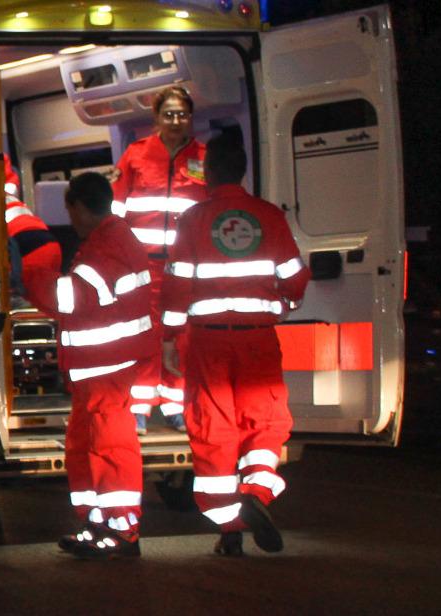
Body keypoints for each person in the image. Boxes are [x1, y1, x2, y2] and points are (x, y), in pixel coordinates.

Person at [160, 134, 310, 556]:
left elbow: (176, 286)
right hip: (258, 340)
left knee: (214, 431)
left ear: (207, 174)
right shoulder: (268, 216)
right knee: (265, 423)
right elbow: (296, 277)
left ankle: (230, 529)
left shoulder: (192, 219)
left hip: (208, 343)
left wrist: (171, 338)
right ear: (243, 170)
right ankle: (257, 496)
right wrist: (282, 304)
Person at [26, 172, 156, 559]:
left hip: (106, 369)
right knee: (86, 447)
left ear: (80, 207)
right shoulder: (112, 240)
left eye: (71, 211)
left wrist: (33, 274)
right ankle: (98, 522)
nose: (71, 220)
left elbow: (70, 298)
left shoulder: (106, 247)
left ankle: (121, 529)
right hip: (99, 369)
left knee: (110, 447)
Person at [110, 85, 208, 434]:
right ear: (156, 118)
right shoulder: (136, 156)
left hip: (185, 265)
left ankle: (174, 404)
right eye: (169, 114)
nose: (176, 120)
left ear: (191, 117)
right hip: (144, 263)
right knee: (146, 331)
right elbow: (116, 209)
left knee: (180, 332)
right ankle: (139, 406)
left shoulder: (202, 157)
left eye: (182, 114)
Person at [3, 155, 62, 312]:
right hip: (51, 246)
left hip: (28, 251)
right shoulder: (5, 197)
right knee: (47, 305)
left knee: (26, 305)